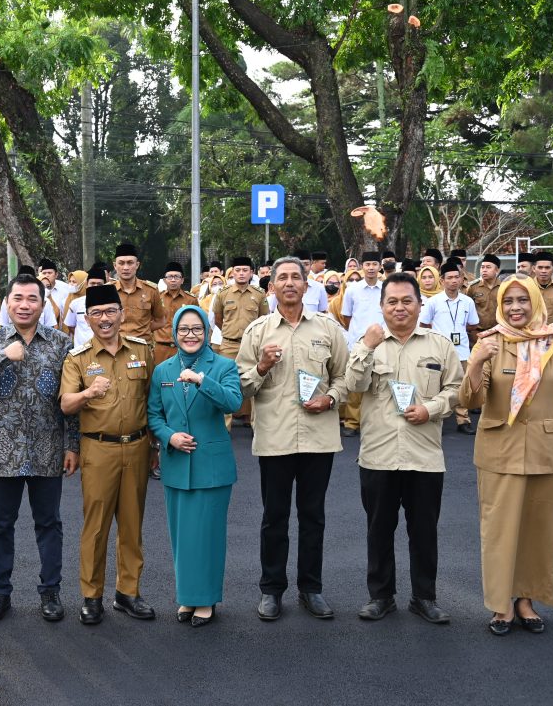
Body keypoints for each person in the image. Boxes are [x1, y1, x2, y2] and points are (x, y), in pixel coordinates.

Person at [459, 274, 553, 636]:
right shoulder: (490, 342)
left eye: (522, 301)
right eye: (508, 302)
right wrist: (474, 364)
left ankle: (526, 601)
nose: (515, 308)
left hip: (549, 454)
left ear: (535, 302)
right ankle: (501, 605)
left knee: (541, 532)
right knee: (500, 532)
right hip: (498, 452)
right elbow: (471, 401)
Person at [0, 274, 79, 624]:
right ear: (8, 303)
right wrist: (2, 358)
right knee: (0, 525)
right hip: (2, 453)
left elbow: (69, 399)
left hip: (48, 450)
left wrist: (72, 445)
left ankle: (51, 592)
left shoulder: (61, 344)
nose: (24, 304)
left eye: (32, 298)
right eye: (18, 298)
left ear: (42, 305)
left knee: (49, 524)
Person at [346, 273, 461, 624]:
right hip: (379, 454)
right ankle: (380, 597)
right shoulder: (368, 343)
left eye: (406, 301)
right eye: (392, 301)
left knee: (424, 531)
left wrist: (431, 408)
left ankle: (424, 597)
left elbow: (456, 390)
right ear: (382, 306)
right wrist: (366, 346)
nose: (399, 307)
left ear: (419, 304)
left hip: (424, 454)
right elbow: (353, 385)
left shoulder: (438, 345)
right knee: (379, 528)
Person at [237, 257, 348, 622]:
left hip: (319, 438)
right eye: (281, 278)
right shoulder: (258, 332)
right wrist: (263, 366)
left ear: (306, 285)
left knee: (313, 517)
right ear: (271, 287)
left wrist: (330, 399)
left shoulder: (329, 329)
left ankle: (310, 589)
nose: (288, 283)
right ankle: (271, 590)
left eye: (295, 278)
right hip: (275, 438)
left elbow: (344, 378)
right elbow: (240, 387)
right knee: (274, 517)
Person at [60, 284, 157, 625]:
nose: (104, 319)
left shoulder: (143, 351)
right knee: (96, 526)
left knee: (132, 525)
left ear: (122, 314)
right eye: (97, 313)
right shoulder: (78, 358)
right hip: (98, 448)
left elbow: (150, 399)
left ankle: (128, 592)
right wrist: (88, 392)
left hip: (137, 446)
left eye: (110, 311)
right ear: (87, 318)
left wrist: (155, 445)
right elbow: (66, 404)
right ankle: (92, 595)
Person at [147, 305, 242, 627]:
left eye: (197, 329)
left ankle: (206, 600)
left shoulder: (223, 366)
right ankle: (188, 597)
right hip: (176, 465)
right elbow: (154, 416)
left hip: (211, 467)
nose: (190, 335)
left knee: (209, 535)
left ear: (206, 332)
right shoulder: (163, 371)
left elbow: (234, 403)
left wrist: (203, 381)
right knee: (183, 537)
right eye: (184, 329)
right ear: (174, 333)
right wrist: (169, 437)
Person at [419, 261, 480, 434]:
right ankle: (435, 418)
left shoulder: (467, 302)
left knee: (461, 385)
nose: (453, 281)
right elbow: (424, 324)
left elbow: (473, 325)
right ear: (442, 281)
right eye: (449, 278)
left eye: (456, 277)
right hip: (438, 351)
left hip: (462, 351)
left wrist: (458, 331)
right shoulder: (433, 302)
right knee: (435, 385)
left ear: (461, 279)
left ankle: (463, 420)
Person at [212, 255, 269, 426]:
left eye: (245, 270)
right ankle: (225, 427)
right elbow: (218, 319)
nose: (241, 273)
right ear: (232, 273)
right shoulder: (223, 294)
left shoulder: (259, 295)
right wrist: (230, 334)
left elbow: (264, 320)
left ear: (251, 273)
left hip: (252, 345)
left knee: (255, 383)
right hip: (229, 344)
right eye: (238, 270)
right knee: (225, 383)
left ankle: (255, 425)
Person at [340, 252, 385, 437]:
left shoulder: (386, 288)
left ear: (380, 266)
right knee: (356, 382)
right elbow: (346, 316)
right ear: (362, 267)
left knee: (380, 383)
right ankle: (352, 422)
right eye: (368, 264)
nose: (371, 267)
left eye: (375, 264)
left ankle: (376, 422)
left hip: (383, 342)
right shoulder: (353, 289)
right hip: (358, 343)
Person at [113, 243, 165, 343]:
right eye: (121, 263)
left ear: (137, 265)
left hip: (142, 347)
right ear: (115, 266)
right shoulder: (107, 290)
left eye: (130, 263)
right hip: (115, 346)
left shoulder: (151, 290)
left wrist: (142, 331)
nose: (126, 268)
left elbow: (160, 321)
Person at [153, 262, 198, 366]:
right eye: (170, 277)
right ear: (164, 280)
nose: (173, 280)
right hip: (161, 348)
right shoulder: (157, 298)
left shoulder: (191, 300)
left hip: (183, 347)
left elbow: (197, 323)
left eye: (176, 277)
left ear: (182, 280)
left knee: (183, 377)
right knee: (161, 379)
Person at [63, 266, 106, 347]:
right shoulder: (76, 304)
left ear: (105, 285)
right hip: (82, 351)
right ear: (86, 284)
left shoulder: (110, 305)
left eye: (99, 284)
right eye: (92, 283)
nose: (95, 287)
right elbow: (71, 326)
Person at [467, 254, 503, 333]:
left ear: (497, 270)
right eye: (482, 267)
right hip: (477, 332)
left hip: (498, 331)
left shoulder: (503, 287)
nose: (484, 270)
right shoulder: (473, 287)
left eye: (488, 267)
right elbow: (466, 310)